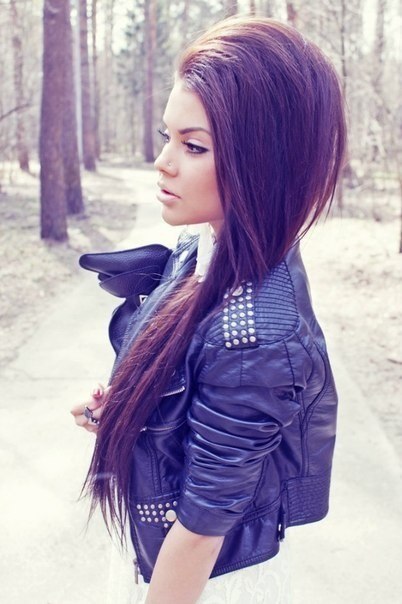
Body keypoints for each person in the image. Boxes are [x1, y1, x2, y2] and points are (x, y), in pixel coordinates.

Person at [71, 15, 346, 604]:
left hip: (203, 581)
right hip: (161, 555)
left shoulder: (257, 334)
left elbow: (200, 531)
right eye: (168, 136)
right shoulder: (206, 248)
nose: (164, 162)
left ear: (264, 161)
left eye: (193, 146)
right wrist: (125, 410)